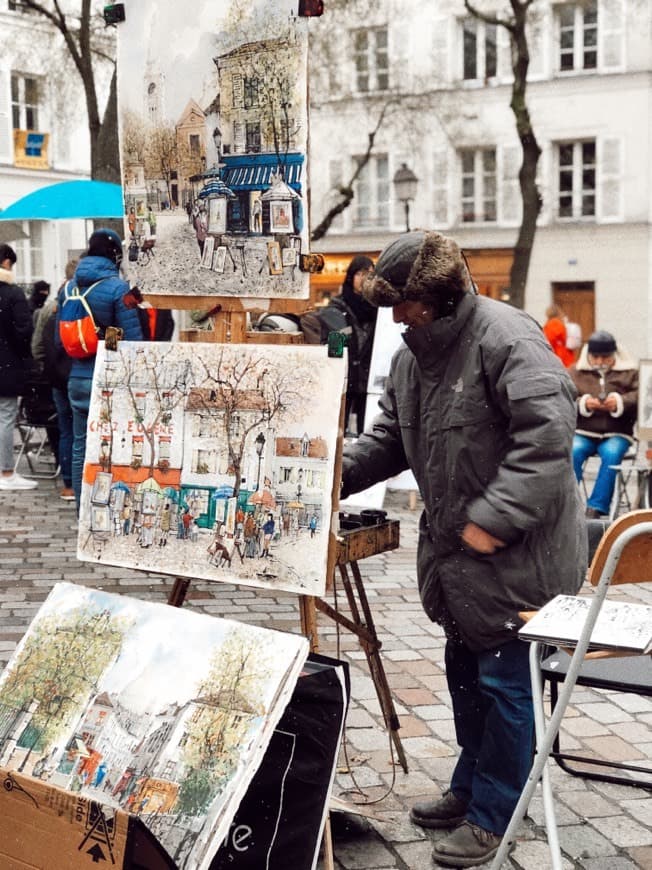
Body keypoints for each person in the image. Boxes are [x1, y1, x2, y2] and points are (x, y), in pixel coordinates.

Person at [340, 231, 586, 868]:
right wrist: (329, 474)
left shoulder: (509, 340)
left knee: (506, 686)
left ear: (439, 298)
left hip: (516, 556)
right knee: (467, 681)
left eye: (405, 305)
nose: (395, 319)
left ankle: (496, 813)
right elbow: (391, 437)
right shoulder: (411, 358)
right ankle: (471, 786)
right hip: (460, 561)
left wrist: (495, 519)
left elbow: (549, 443)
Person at [57, 229, 144, 512]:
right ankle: (109, 507)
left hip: (77, 377)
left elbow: (63, 334)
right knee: (113, 445)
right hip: (108, 378)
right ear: (115, 255)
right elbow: (131, 341)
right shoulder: (119, 289)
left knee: (81, 444)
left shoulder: (69, 288)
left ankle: (84, 511)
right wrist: (106, 339)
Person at [301, 255, 376, 435]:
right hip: (344, 381)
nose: (365, 278)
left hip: (369, 383)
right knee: (338, 432)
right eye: (361, 273)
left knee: (367, 432)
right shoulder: (336, 309)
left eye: (370, 274)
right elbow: (334, 348)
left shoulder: (378, 310)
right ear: (351, 277)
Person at [569, 330, 638, 519]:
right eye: (595, 356)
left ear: (614, 355)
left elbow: (641, 396)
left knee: (611, 453)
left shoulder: (630, 373)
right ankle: (568, 504)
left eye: (605, 357)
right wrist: (583, 403)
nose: (599, 361)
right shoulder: (574, 372)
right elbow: (563, 398)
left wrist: (619, 402)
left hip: (617, 432)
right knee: (573, 451)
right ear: (589, 355)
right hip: (584, 431)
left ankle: (597, 506)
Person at [31, 261, 78, 501]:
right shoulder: (84, 303)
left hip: (57, 378)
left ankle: (68, 484)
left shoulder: (51, 309)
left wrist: (48, 369)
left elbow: (37, 347)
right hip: (77, 374)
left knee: (66, 430)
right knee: (79, 431)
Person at [0, 244, 37, 491]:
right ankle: (6, 471)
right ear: (5, 262)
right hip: (6, 364)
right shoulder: (12, 294)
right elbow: (24, 332)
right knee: (6, 415)